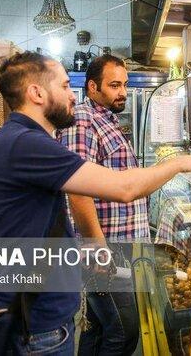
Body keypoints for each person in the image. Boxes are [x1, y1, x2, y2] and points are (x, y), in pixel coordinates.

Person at [0, 52, 191, 355]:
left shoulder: (16, 140)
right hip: (32, 325)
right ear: (36, 93)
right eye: (64, 86)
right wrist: (179, 163)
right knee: (123, 332)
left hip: (33, 312)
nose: (73, 95)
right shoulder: (25, 144)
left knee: (102, 330)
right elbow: (123, 187)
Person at [57, 55, 141, 355]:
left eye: (125, 85)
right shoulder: (83, 121)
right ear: (92, 87)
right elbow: (78, 191)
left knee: (98, 325)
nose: (122, 92)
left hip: (113, 243)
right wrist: (98, 249)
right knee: (124, 330)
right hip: (103, 246)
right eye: (114, 85)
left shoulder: (105, 119)